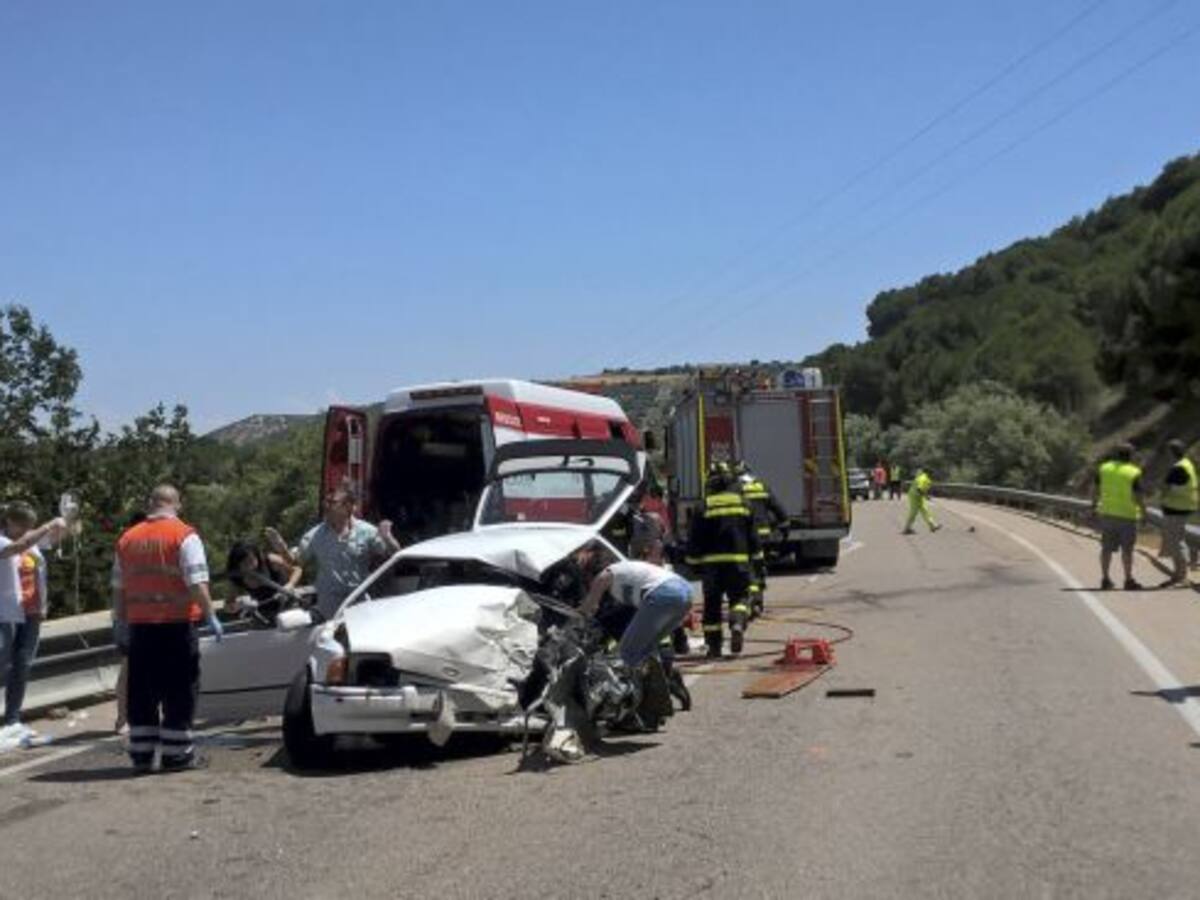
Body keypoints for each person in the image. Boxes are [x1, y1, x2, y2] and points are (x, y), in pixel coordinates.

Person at [113, 484, 221, 773]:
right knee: (179, 692)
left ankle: (141, 755)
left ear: (151, 503)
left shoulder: (127, 539)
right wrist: (211, 614)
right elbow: (196, 582)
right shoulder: (184, 535)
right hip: (176, 626)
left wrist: (120, 622)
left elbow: (119, 589)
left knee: (142, 693)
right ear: (177, 504)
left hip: (140, 628)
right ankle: (177, 755)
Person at [277, 485, 401, 619]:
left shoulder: (366, 531)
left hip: (358, 603)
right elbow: (296, 561)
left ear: (348, 506)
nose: (326, 506)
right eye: (326, 501)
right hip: (329, 608)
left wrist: (388, 538)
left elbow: (394, 555)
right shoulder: (315, 535)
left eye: (332, 502)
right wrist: (282, 549)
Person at [0, 503, 65, 741]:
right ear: (9, 522)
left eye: (30, 526)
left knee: (22, 665)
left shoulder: (32, 539)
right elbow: (18, 547)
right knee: (1, 661)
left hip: (31, 613)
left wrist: (63, 524)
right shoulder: (3, 540)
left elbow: (54, 540)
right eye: (23, 525)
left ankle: (13, 719)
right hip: (5, 614)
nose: (28, 530)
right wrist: (47, 526)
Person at [686, 462, 759, 658]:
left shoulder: (703, 506)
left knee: (711, 606)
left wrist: (692, 564)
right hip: (738, 564)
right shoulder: (744, 503)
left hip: (711, 567)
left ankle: (714, 647)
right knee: (741, 599)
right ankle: (737, 622)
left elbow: (695, 539)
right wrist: (757, 564)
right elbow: (753, 538)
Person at [736, 461, 787, 619]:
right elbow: (777, 508)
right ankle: (758, 601)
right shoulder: (761, 486)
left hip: (743, 537)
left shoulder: (736, 489)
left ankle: (745, 602)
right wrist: (784, 526)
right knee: (759, 568)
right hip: (762, 537)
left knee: (745, 569)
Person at [1093, 443, 1146, 591]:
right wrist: (1144, 513)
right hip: (1127, 516)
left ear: (1117, 454)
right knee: (1127, 550)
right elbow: (1139, 496)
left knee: (1106, 549)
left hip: (1107, 514)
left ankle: (1105, 579)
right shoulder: (1134, 472)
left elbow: (1096, 489)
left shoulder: (1104, 468)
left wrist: (1093, 506)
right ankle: (1128, 580)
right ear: (1131, 456)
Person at [1157, 439, 1197, 588]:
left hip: (1176, 508)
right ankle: (1177, 574)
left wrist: (1162, 499)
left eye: (1167, 452)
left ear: (1171, 452)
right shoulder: (1187, 464)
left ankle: (1181, 576)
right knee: (1175, 540)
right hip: (1184, 507)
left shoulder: (1178, 468)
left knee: (1176, 542)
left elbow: (1165, 488)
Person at [902, 468, 939, 534]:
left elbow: (924, 488)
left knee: (925, 510)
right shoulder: (923, 478)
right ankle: (907, 529)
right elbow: (919, 489)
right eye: (932, 473)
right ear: (928, 473)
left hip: (919, 496)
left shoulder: (925, 478)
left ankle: (932, 526)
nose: (933, 475)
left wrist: (925, 495)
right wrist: (926, 496)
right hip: (914, 496)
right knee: (913, 512)